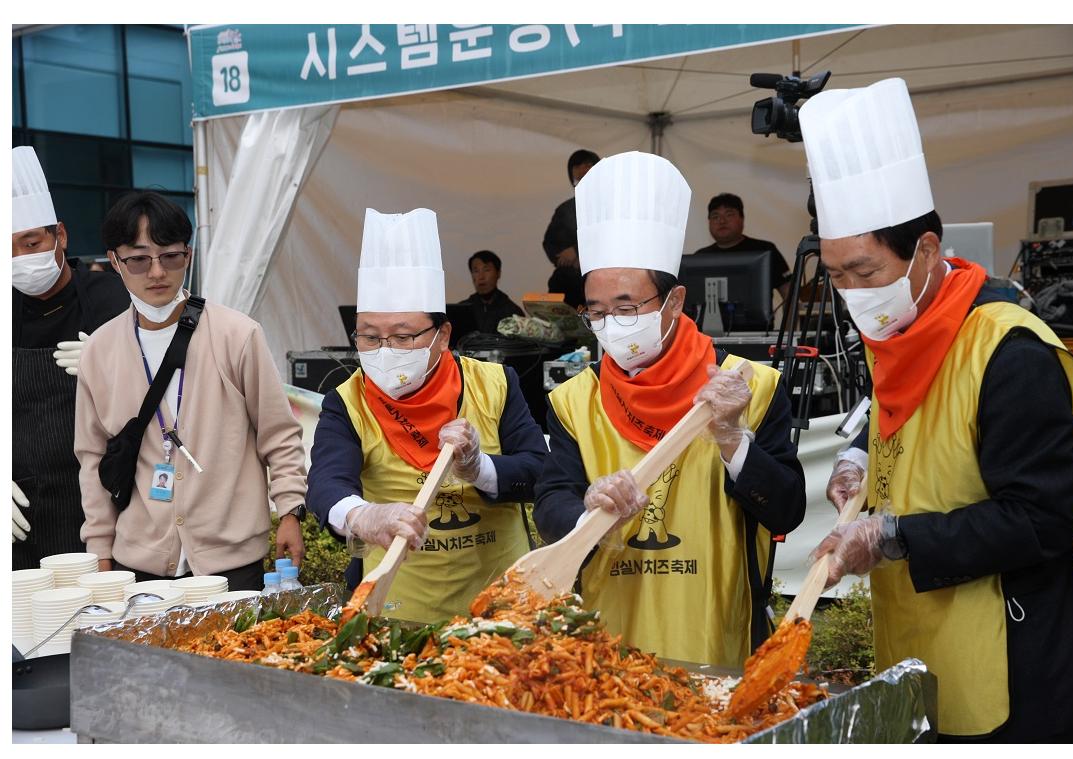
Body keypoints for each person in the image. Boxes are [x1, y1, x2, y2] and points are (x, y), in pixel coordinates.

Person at [802, 78, 1073, 742]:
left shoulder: (1009, 351)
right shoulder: (901, 326)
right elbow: (906, 414)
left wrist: (891, 535)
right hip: (915, 625)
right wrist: (858, 455)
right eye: (835, 275)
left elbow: (1042, 518)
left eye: (866, 272)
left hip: (1012, 654)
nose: (851, 295)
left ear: (927, 250)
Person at [534, 152, 806, 669]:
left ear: (675, 301)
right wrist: (586, 507)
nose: (611, 324)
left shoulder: (751, 387)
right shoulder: (574, 401)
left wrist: (732, 440)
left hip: (717, 636)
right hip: (604, 645)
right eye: (596, 311)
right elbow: (550, 507)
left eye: (627, 306)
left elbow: (787, 509)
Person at [306, 208, 548, 624]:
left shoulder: (496, 384)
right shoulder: (346, 402)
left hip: (501, 603)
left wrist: (479, 467)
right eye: (368, 335)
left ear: (443, 336)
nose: (383, 350)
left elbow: (540, 471)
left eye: (402, 336)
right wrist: (363, 515)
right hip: (396, 608)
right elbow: (326, 482)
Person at [74, 191, 308, 591]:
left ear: (190, 256)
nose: (157, 272)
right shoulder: (100, 349)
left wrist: (290, 510)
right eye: (139, 259)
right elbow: (92, 457)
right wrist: (100, 550)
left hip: (232, 559)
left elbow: (279, 433)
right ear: (114, 261)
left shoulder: (238, 335)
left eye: (170, 256)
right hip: (139, 561)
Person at [11, 146, 129, 567]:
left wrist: (114, 369)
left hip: (102, 505)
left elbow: (165, 397)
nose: (21, 260)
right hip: (20, 515)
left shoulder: (113, 298)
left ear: (60, 235)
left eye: (31, 243)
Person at [692, 192, 792, 305]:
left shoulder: (765, 250)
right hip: (708, 322)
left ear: (742, 219)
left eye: (729, 214)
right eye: (715, 216)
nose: (722, 221)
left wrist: (789, 323)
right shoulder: (700, 258)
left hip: (757, 322)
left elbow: (789, 295)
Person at [542, 149, 599, 308]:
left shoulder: (609, 206)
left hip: (600, 278)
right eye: (577, 165)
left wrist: (577, 251)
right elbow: (549, 242)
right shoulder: (564, 209)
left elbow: (608, 237)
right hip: (568, 279)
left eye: (587, 164)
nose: (582, 169)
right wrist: (565, 259)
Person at [460, 250, 524, 334]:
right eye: (476, 271)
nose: (481, 277)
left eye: (486, 270)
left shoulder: (512, 312)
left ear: (498, 273)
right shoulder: (462, 310)